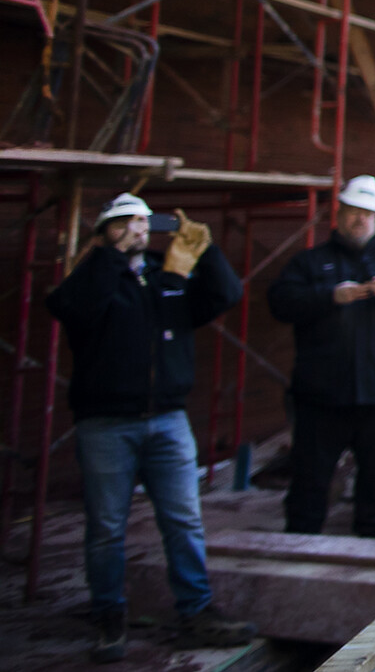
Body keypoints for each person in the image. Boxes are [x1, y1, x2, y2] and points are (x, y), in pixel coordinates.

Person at [46, 193, 256, 662]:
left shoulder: (168, 273)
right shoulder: (93, 278)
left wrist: (206, 252)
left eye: (143, 221)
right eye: (125, 223)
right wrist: (110, 254)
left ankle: (195, 610)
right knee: (105, 527)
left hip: (167, 419)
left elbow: (225, 294)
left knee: (183, 520)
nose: (139, 229)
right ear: (104, 234)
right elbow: (72, 309)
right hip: (105, 425)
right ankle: (108, 615)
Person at [268, 174, 375, 537]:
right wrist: (329, 297)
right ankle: (301, 542)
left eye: (368, 214)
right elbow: (280, 302)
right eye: (354, 212)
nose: (360, 220)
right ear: (340, 214)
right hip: (321, 395)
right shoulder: (311, 264)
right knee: (311, 477)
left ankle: (370, 541)